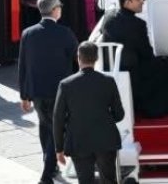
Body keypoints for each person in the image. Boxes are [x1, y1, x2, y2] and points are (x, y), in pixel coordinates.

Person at [18, 0, 78, 184]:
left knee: (45, 127)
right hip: (59, 91)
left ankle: (49, 166)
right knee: (58, 129)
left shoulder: (28, 33)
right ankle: (46, 173)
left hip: (36, 91)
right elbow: (77, 58)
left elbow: (23, 66)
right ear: (54, 10)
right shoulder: (65, 32)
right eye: (59, 6)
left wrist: (24, 95)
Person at [101, 0, 168, 118]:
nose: (143, 1)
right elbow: (147, 53)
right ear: (127, 3)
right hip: (135, 70)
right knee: (167, 63)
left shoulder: (109, 17)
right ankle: (165, 108)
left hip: (114, 66)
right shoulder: (137, 24)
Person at [53, 41, 125, 184]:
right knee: (109, 180)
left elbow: (58, 118)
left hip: (79, 141)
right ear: (96, 58)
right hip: (106, 139)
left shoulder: (66, 84)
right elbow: (119, 114)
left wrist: (59, 148)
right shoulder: (108, 81)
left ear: (78, 58)